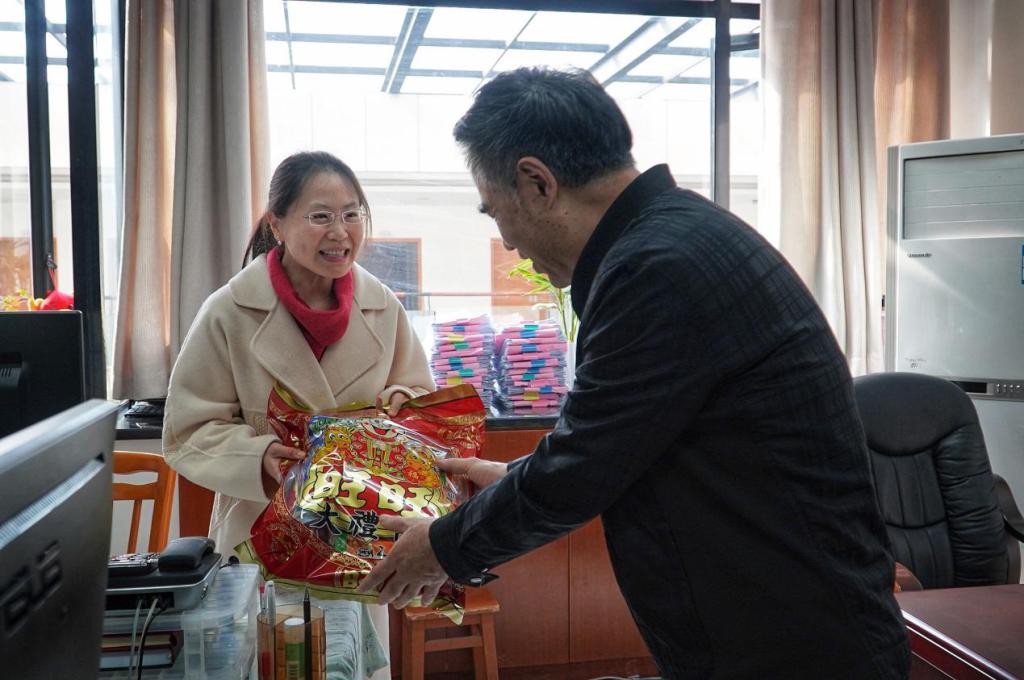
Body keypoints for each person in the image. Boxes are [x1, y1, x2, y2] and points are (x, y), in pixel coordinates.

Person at [359, 68, 910, 678]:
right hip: (787, 627)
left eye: (496, 213)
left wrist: (441, 548)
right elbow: (623, 443)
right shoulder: (679, 236)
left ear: (537, 183)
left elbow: (584, 468)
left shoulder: (656, 268)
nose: (509, 243)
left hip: (795, 647)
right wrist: (513, 476)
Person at [163, 151, 433, 679]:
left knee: (348, 662)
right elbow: (188, 428)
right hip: (260, 532)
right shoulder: (229, 311)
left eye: (352, 214)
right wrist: (259, 454)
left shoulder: (383, 307)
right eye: (320, 216)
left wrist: (402, 404)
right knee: (269, 663)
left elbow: (419, 394)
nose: (340, 231)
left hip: (354, 535)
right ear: (277, 223)